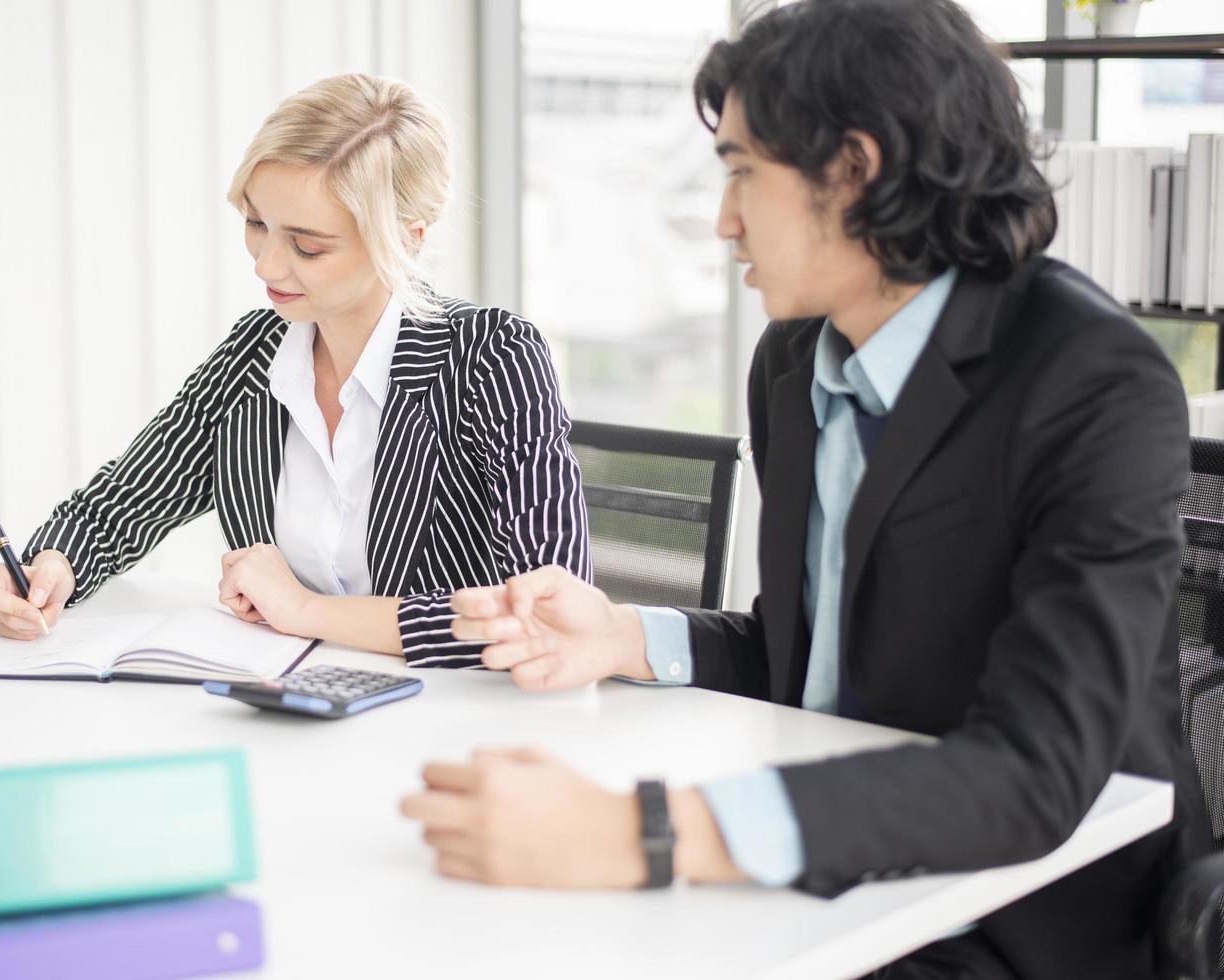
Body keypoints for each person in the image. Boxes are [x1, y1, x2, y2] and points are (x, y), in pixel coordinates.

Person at [400, 1, 1210, 976]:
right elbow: (818, 663)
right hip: (828, 873)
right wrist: (620, 636)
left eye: (743, 170)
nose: (721, 218)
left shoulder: (1092, 383)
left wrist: (643, 832)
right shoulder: (794, 361)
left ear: (853, 168)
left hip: (1010, 919)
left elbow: (1037, 772)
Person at [0, 73, 589, 666]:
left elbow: (542, 613)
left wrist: (303, 609)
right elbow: (119, 508)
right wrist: (51, 567)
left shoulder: (493, 356)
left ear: (405, 240)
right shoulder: (259, 349)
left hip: (451, 718)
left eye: (308, 245)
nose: (267, 267)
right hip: (283, 704)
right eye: (256, 224)